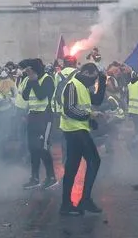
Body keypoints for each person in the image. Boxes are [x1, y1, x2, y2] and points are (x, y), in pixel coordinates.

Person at [58, 62, 107, 216]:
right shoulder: (73, 84)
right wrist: (89, 115)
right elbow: (70, 109)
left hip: (78, 129)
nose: (94, 82)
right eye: (93, 78)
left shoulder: (83, 86)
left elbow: (97, 101)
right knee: (94, 160)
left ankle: (66, 204)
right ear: (85, 73)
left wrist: (103, 80)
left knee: (72, 166)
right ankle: (84, 199)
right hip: (74, 130)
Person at [18, 58, 58, 189]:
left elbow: (41, 95)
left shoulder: (47, 79)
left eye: (29, 70)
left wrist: (34, 80)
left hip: (45, 116)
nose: (27, 72)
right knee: (33, 148)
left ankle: (51, 177)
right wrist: (30, 80)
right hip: (32, 116)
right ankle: (34, 178)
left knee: (42, 147)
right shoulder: (28, 79)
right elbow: (25, 96)